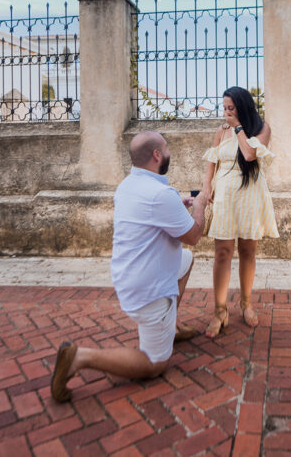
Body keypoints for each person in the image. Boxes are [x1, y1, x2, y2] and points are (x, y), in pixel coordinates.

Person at [50, 131, 208, 403]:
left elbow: (151, 218)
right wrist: (200, 206)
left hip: (128, 277)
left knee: (185, 260)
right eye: (166, 149)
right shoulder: (160, 194)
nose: (168, 153)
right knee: (155, 364)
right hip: (148, 291)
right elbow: (193, 236)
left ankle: (169, 326)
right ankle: (81, 357)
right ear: (157, 155)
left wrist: (178, 205)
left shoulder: (126, 186)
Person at [199, 86, 278, 337]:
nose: (226, 113)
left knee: (247, 250)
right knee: (222, 251)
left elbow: (249, 154)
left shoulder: (261, 128)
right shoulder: (219, 132)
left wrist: (238, 128)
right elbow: (212, 162)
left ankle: (246, 303)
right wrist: (205, 188)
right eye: (224, 108)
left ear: (243, 106)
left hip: (250, 194)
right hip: (225, 195)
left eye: (230, 108)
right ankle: (220, 310)